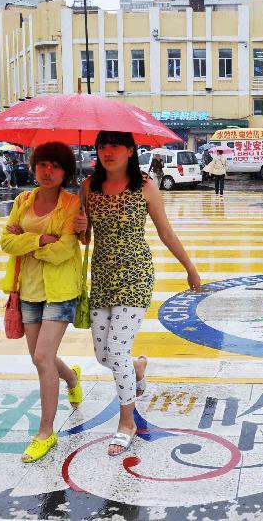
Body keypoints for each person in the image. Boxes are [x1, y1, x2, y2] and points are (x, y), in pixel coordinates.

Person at [72, 130, 201, 457]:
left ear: (130, 150)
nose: (107, 151)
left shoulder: (145, 186)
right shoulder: (88, 187)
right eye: (102, 145)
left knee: (115, 352)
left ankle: (126, 422)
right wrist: (80, 228)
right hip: (101, 277)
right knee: (104, 357)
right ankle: (138, 369)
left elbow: (165, 231)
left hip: (134, 275)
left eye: (115, 145)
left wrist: (190, 267)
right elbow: (85, 240)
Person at [0, 141, 83, 464]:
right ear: (34, 167)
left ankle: (45, 432)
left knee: (42, 356)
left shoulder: (72, 204)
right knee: (41, 359)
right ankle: (73, 378)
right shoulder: (22, 200)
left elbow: (64, 250)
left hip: (61, 291)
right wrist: (38, 240)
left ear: (65, 172)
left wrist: (28, 243)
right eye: (42, 164)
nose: (47, 171)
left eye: (55, 166)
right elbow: (6, 242)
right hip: (28, 291)